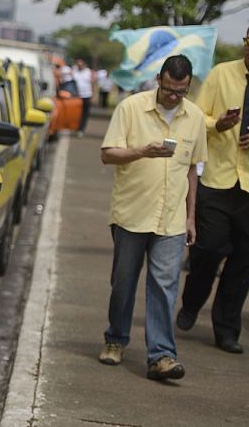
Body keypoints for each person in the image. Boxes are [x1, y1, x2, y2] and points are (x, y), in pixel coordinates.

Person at [98, 55, 207, 381]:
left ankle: (161, 356)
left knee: (164, 287)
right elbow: (107, 154)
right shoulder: (131, 108)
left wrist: (191, 218)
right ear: (159, 79)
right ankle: (116, 339)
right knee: (123, 284)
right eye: (170, 90)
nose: (174, 97)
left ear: (188, 87)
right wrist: (142, 151)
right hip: (131, 214)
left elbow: (192, 170)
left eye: (181, 92)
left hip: (171, 219)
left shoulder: (196, 117)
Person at [177, 30, 249, 354]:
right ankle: (191, 303)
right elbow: (197, 115)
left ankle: (226, 330)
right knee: (207, 250)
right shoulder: (222, 73)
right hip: (218, 180)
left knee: (242, 263)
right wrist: (217, 124)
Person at [72, 59, 95, 136]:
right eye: (78, 65)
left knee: (84, 113)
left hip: (87, 95)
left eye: (81, 65)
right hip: (77, 96)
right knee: (77, 113)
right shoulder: (74, 71)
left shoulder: (88, 72)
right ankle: (76, 127)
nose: (79, 66)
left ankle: (81, 129)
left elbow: (92, 83)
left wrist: (93, 94)